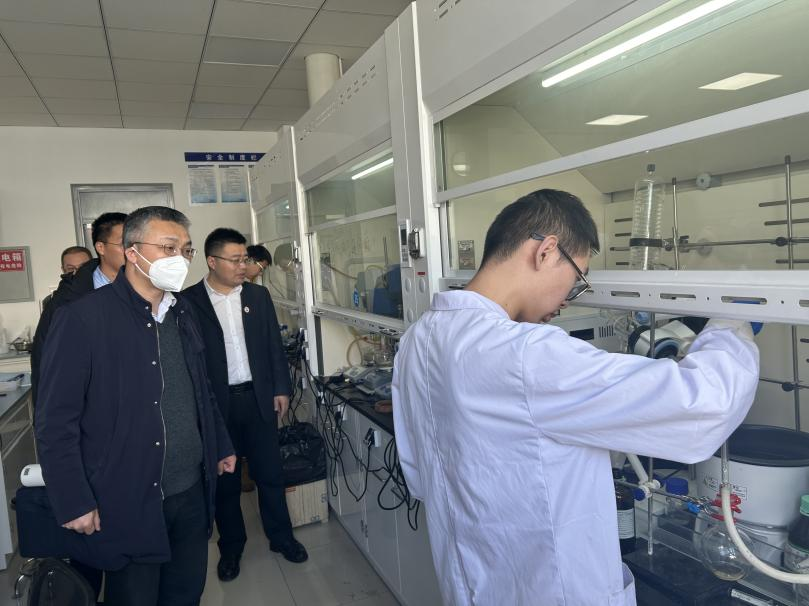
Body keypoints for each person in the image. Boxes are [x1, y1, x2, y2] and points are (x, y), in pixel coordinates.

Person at [392, 189, 760, 606]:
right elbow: (705, 403)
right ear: (547, 251)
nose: (568, 300)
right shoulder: (526, 354)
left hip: (469, 585)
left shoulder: (418, 341)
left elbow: (420, 474)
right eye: (577, 278)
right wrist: (732, 324)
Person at [35, 206, 237, 606]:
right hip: (126, 497)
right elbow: (55, 420)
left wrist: (221, 444)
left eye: (186, 249)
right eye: (168, 247)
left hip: (190, 491)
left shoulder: (183, 312)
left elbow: (201, 389)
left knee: (185, 592)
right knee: (135, 596)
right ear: (132, 251)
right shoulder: (83, 318)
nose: (180, 259)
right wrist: (74, 499)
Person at [182, 228, 307, 583]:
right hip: (217, 406)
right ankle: (231, 548)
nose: (243, 266)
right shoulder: (189, 302)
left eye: (245, 259)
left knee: (270, 474)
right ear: (212, 261)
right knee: (226, 482)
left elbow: (272, 346)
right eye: (235, 260)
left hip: (258, 399)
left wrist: (281, 388)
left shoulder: (257, 295)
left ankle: (281, 538)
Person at [32, 212, 127, 406]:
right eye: (124, 243)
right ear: (101, 248)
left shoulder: (149, 291)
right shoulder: (66, 300)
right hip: (93, 402)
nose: (132, 250)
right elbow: (45, 358)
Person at [41, 246, 93, 311]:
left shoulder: (104, 291)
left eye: (83, 267)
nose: (78, 272)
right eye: (71, 268)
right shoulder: (53, 301)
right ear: (63, 270)